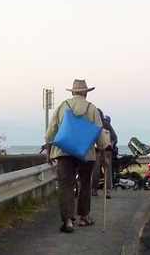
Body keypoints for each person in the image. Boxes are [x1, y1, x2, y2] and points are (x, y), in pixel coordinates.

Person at [44, 79, 111, 233]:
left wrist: (49, 153)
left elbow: (50, 133)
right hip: (86, 153)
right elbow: (100, 136)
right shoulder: (92, 109)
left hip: (63, 152)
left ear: (73, 92)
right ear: (86, 92)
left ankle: (68, 221)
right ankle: (84, 217)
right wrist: (103, 154)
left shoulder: (63, 106)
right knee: (85, 184)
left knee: (65, 185)